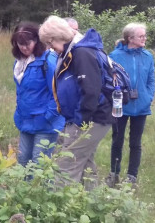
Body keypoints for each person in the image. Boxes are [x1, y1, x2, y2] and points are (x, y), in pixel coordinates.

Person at [38, 15, 114, 188]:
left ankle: (58, 210)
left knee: (66, 165)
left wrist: (80, 122)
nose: (50, 49)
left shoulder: (82, 53)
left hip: (93, 118)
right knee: (86, 164)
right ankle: (91, 206)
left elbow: (91, 91)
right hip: (87, 117)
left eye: (50, 44)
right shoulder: (72, 51)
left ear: (58, 37)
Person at [106, 23, 155, 187]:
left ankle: (132, 177)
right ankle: (114, 174)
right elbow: (109, 79)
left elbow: (151, 80)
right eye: (141, 36)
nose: (144, 39)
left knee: (136, 143)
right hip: (120, 105)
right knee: (117, 140)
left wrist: (148, 97)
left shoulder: (148, 56)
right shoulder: (115, 55)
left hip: (141, 106)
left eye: (144, 35)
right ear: (130, 38)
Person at [11, 22, 65, 166]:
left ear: (37, 40)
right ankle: (23, 189)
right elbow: (21, 92)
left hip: (46, 123)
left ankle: (42, 189)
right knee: (22, 161)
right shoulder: (18, 63)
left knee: (38, 164)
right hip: (25, 120)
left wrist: (48, 117)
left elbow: (58, 93)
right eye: (19, 43)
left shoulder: (49, 61)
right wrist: (19, 114)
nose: (24, 47)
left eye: (27, 43)